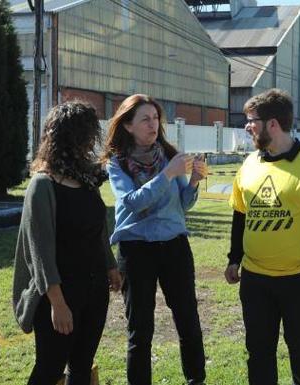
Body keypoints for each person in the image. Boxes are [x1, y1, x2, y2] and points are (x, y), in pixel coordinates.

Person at [225, 88, 300, 385]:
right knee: (258, 350)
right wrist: (234, 259)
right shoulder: (250, 163)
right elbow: (240, 215)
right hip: (255, 279)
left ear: (273, 124)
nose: (247, 126)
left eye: (251, 120)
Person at [101, 94, 207, 385]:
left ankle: (196, 380)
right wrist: (168, 175)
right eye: (145, 119)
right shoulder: (117, 164)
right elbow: (133, 203)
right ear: (128, 126)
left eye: (156, 118)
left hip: (175, 247)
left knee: (188, 321)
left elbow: (182, 206)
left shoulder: (169, 154)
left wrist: (194, 181)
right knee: (140, 329)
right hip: (136, 251)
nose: (153, 124)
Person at [12, 101, 121, 385]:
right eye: (86, 133)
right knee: (49, 369)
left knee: (82, 367)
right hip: (60, 294)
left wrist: (110, 266)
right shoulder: (43, 185)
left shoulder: (86, 180)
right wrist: (57, 303)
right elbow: (40, 251)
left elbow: (97, 229)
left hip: (95, 290)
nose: (90, 141)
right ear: (68, 137)